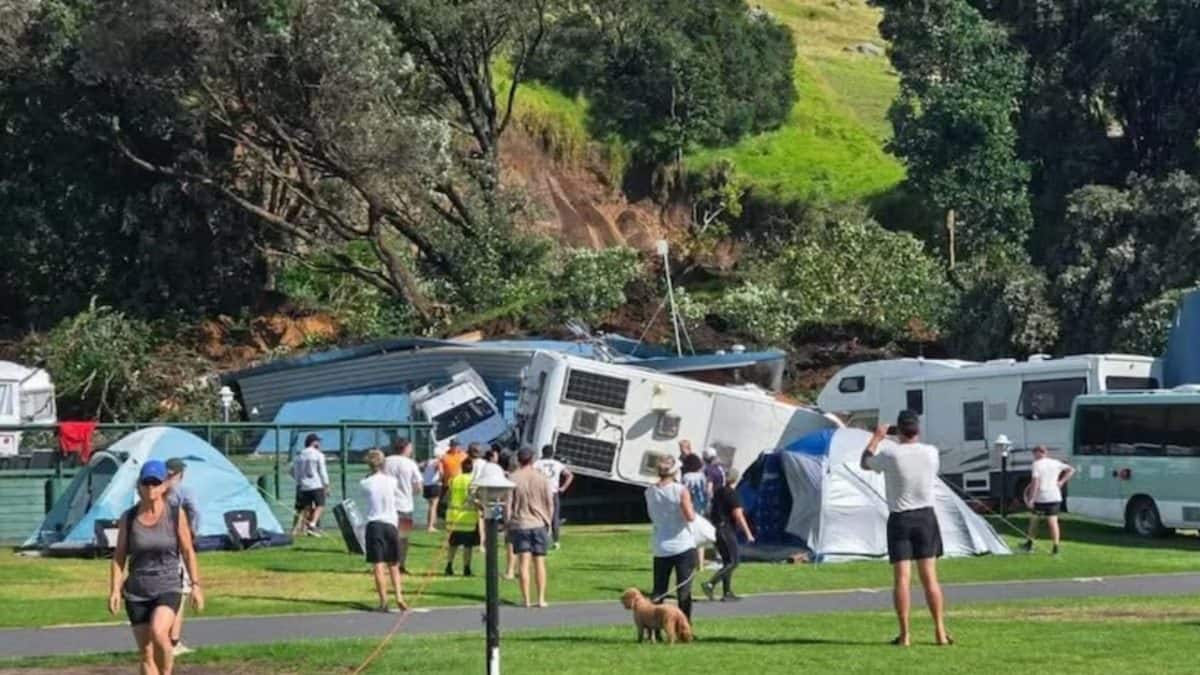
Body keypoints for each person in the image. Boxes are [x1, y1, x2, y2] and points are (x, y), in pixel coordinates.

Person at [861, 411, 951, 647]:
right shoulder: (931, 452)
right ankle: (940, 631)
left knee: (902, 579)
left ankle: (905, 634)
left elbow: (865, 462)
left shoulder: (891, 454)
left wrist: (877, 437)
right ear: (917, 430)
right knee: (930, 578)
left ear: (898, 430)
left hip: (901, 517)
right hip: (926, 517)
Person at [109, 460, 205, 675]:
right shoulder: (129, 518)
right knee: (146, 652)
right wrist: (115, 590)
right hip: (137, 591)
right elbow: (119, 557)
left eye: (155, 483)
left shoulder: (174, 514)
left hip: (167, 586)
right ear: (139, 486)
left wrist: (196, 585)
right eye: (146, 483)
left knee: (159, 632)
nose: (151, 488)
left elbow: (188, 551)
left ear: (164, 486)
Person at [645, 455, 697, 621]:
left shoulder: (649, 491)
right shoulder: (680, 490)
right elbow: (690, 516)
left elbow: (652, 515)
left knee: (659, 590)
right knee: (683, 589)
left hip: (661, 545)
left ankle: (655, 627)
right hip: (682, 544)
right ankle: (684, 626)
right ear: (675, 472)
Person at [360, 449, 408, 612]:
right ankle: (399, 596)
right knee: (394, 563)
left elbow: (365, 497)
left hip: (375, 523)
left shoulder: (365, 483)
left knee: (378, 565)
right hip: (391, 523)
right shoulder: (392, 481)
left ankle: (383, 602)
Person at [508, 447, 555, 607]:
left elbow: (508, 504)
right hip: (538, 522)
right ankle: (541, 598)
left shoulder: (512, 478)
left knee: (523, 563)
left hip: (520, 523)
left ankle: (526, 599)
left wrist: (508, 522)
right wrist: (548, 521)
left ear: (518, 460)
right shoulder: (542, 478)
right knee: (539, 562)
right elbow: (549, 502)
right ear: (533, 459)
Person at [701, 468, 754, 602]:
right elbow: (738, 515)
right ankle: (711, 583)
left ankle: (727, 592)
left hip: (716, 529)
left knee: (726, 561)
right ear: (736, 479)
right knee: (734, 561)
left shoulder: (718, 492)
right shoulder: (733, 494)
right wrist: (748, 534)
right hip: (726, 529)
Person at [164, 458, 198, 657]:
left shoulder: (153, 491)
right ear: (180, 474)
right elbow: (195, 511)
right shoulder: (182, 492)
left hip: (155, 547)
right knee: (180, 594)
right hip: (176, 547)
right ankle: (173, 642)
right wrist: (192, 532)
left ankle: (161, 638)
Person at [1021, 445, 1076, 555]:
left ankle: (1029, 544)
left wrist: (1031, 499)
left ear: (1038, 453)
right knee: (1053, 522)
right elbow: (1071, 470)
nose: (1034, 456)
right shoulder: (1055, 462)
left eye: (1034, 454)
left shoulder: (1036, 464)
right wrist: (1061, 482)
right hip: (1055, 497)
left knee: (1034, 521)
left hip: (1041, 498)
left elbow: (1035, 483)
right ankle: (1055, 548)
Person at [383, 438, 423, 572]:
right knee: (403, 537)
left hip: (387, 505)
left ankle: (385, 563)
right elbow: (418, 486)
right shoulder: (410, 463)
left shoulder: (386, 461)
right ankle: (400, 564)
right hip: (405, 505)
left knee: (387, 536)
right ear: (406, 448)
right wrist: (412, 491)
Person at [444, 457, 482, 576]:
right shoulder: (473, 482)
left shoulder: (453, 480)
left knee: (453, 544)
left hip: (453, 517)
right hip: (467, 519)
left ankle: (449, 566)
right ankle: (466, 568)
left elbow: (447, 497)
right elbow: (477, 498)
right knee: (467, 546)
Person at [534, 445, 573, 549]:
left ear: (542, 453)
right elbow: (569, 475)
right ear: (552, 453)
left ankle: (542, 539)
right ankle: (556, 541)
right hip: (553, 492)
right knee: (554, 517)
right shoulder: (557, 464)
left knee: (541, 516)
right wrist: (563, 487)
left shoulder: (537, 464)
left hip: (541, 492)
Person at [291, 433, 329, 537]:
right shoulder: (318, 454)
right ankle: (312, 524)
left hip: (303, 485)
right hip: (316, 484)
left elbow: (293, 471)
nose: (320, 444)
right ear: (313, 442)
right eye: (318, 441)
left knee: (306, 508)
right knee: (320, 505)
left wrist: (299, 480)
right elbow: (322, 471)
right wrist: (326, 485)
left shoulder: (299, 455)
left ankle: (306, 529)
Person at [680, 453, 709, 567]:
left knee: (688, 534)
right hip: (700, 506)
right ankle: (700, 563)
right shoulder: (702, 476)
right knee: (700, 535)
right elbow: (706, 491)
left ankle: (688, 561)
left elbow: (683, 491)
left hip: (689, 506)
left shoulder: (686, 477)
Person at [421, 455, 443, 532]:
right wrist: (440, 480)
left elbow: (422, 469)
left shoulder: (427, 462)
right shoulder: (438, 462)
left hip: (426, 485)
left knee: (430, 506)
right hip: (434, 485)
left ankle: (431, 524)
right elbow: (441, 472)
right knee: (433, 506)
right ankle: (430, 526)